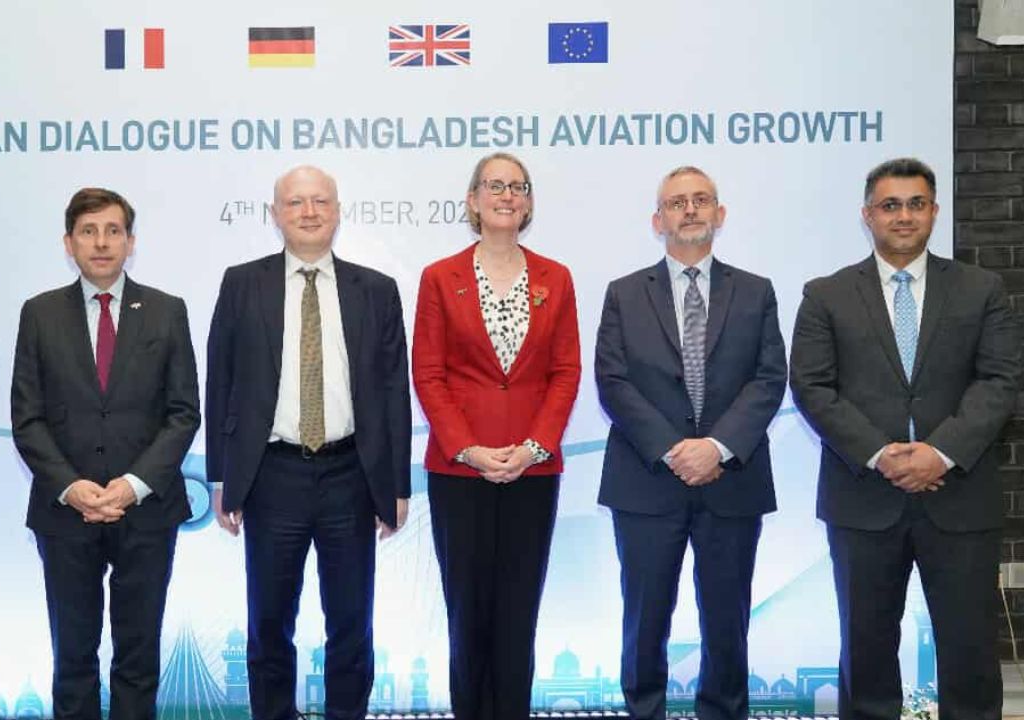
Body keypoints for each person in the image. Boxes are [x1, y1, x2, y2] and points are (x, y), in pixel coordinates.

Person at [790, 157, 1020, 719]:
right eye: (890, 205)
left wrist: (940, 453)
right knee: (866, 651)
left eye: (916, 204)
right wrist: (881, 455)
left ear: (934, 212)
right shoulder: (826, 294)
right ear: (867, 214)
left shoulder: (981, 289)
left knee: (969, 651)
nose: (904, 216)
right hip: (863, 498)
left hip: (959, 497)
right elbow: (812, 386)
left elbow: (1000, 380)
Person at [205, 165, 411, 720]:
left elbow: (394, 391)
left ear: (338, 211)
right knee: (269, 622)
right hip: (272, 475)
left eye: (320, 201)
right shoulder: (242, 283)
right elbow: (220, 381)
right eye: (296, 202)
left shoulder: (377, 290)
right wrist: (222, 478)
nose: (309, 212)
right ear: (275, 214)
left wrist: (396, 486)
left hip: (351, 475)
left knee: (352, 622)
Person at [595, 166, 786, 720]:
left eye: (701, 200)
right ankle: (644, 711)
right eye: (677, 202)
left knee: (727, 620)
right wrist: (675, 449)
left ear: (720, 215)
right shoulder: (624, 293)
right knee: (644, 619)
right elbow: (613, 380)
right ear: (658, 221)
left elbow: (769, 378)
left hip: (732, 480)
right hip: (647, 480)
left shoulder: (756, 291)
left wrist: (717, 447)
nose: (690, 210)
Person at [10, 187, 200, 720]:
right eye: (88, 231)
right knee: (73, 656)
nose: (101, 243)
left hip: (147, 510)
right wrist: (71, 487)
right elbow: (27, 417)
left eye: (113, 231)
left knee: (138, 655)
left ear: (130, 242)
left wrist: (133, 485)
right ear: (68, 243)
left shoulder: (166, 311)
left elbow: (183, 412)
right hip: (65, 512)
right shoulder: (40, 313)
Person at [412, 152, 581, 720]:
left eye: (518, 187)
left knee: (518, 614)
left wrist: (534, 447)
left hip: (533, 471)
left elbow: (566, 372)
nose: (507, 195)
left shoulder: (556, 277)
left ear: (528, 203)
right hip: (460, 471)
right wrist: (468, 448)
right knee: (467, 614)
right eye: (495, 186)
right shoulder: (440, 277)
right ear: (473, 200)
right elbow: (428, 374)